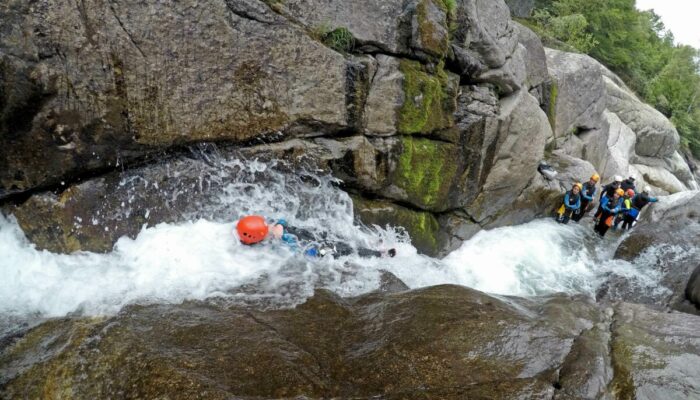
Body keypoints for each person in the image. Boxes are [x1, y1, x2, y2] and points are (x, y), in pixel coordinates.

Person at [236, 215, 396, 258]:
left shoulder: (273, 230)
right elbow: (298, 252)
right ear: (261, 235)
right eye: (267, 227)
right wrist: (282, 234)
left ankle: (368, 243)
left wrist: (279, 225)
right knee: (343, 249)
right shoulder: (278, 243)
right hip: (316, 251)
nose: (270, 225)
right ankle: (379, 254)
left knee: (335, 235)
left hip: (311, 236)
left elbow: (283, 221)